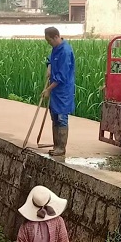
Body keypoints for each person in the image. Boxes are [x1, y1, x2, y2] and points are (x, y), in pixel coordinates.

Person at [42, 26, 75, 158]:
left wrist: (48, 90)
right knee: (54, 117)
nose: (49, 44)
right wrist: (49, 67)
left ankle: (61, 148)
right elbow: (50, 59)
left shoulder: (65, 51)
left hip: (62, 91)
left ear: (56, 37)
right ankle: (56, 146)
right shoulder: (55, 48)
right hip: (55, 91)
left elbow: (62, 77)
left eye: (49, 41)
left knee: (61, 118)